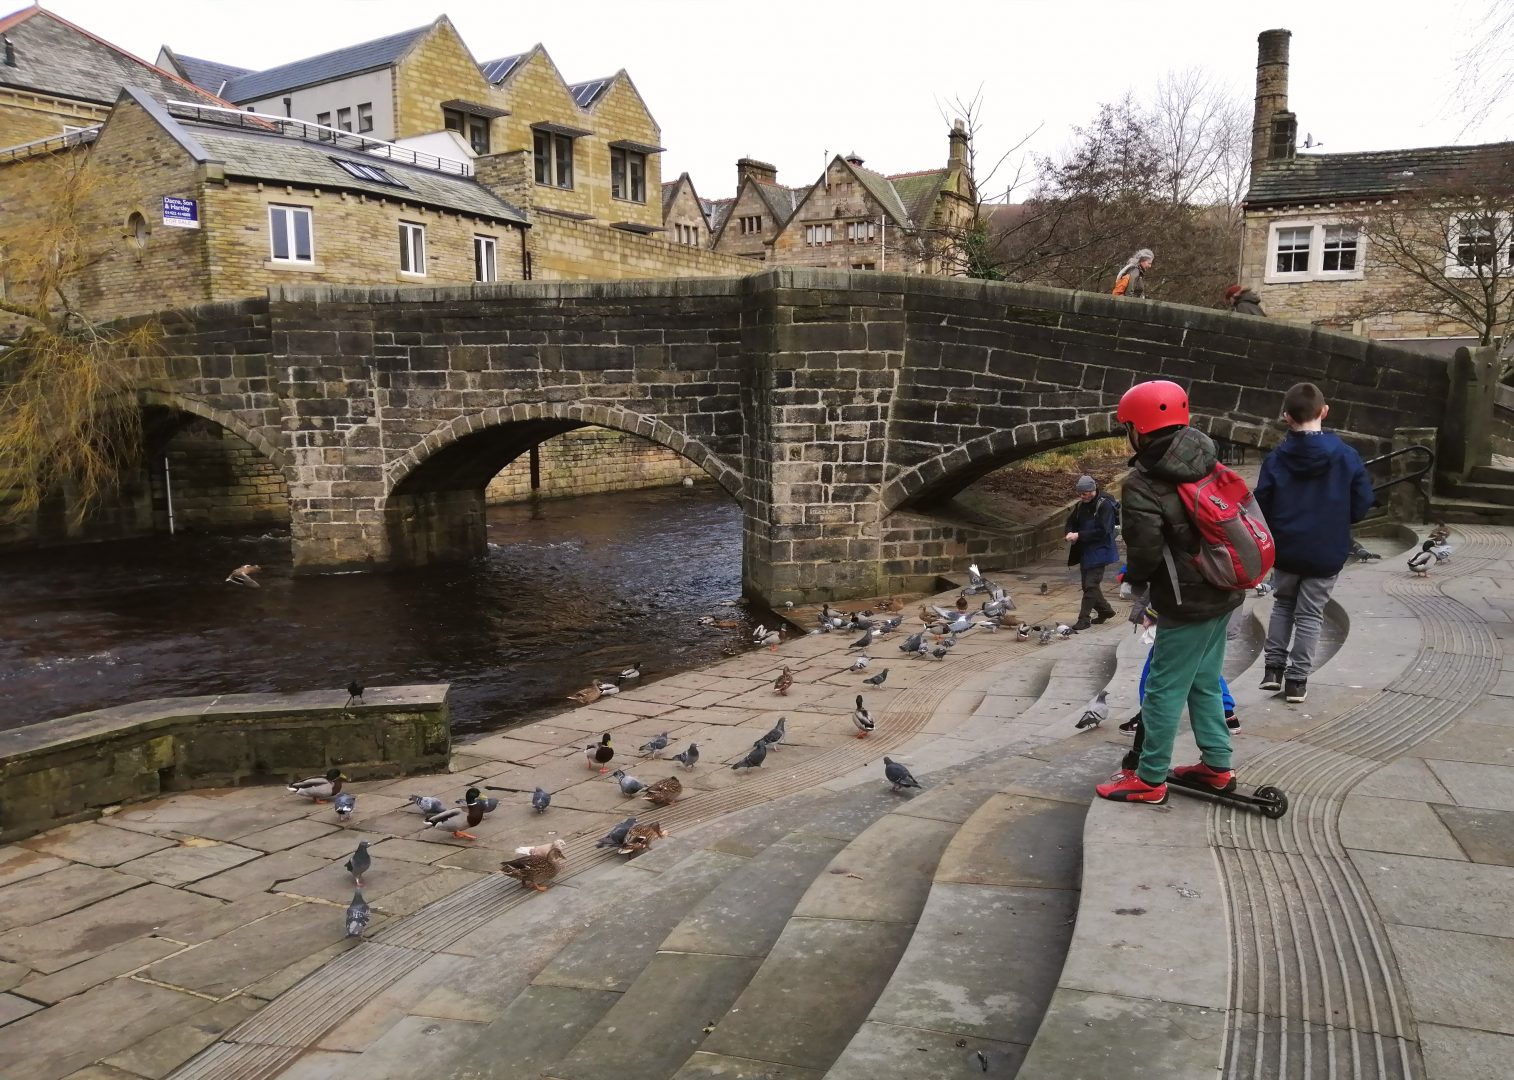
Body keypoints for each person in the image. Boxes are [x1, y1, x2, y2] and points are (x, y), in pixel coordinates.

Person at [1095, 380, 1242, 805]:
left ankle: (1150, 776)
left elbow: (1143, 552)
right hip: (1226, 588)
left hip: (1186, 601)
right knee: (1203, 681)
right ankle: (1216, 765)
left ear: (1137, 429)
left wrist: (1133, 582)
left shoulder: (1144, 481)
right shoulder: (1208, 458)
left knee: (1162, 688)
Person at [1254, 382, 1375, 704]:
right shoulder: (1346, 456)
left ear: (1286, 417)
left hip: (1287, 546)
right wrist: (1338, 520)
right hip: (1326, 547)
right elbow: (1363, 501)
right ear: (1324, 411)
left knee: (1283, 604)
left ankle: (1273, 670)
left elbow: (1261, 503)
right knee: (1310, 615)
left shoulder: (1276, 458)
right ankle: (1296, 682)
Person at [1064, 475, 1119, 631]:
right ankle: (1105, 610)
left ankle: (1084, 619)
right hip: (1086, 551)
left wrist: (1079, 535)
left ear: (1093, 490)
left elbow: (1104, 530)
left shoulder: (1105, 505)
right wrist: (1069, 532)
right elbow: (1071, 522)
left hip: (1101, 551)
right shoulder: (1081, 505)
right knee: (1089, 586)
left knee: (1090, 585)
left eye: (1085, 493)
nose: (1081, 496)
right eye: (1080, 493)